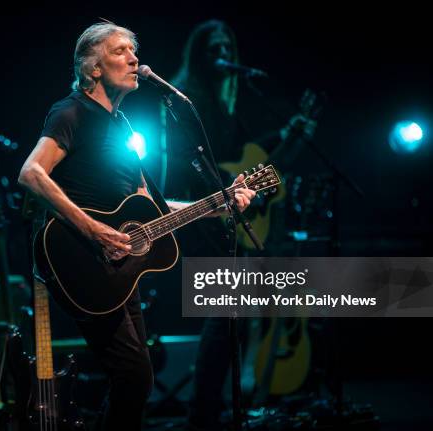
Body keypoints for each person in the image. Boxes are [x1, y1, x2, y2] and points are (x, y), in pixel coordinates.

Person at [17, 22, 256, 431]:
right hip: (80, 259)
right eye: (120, 51)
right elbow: (32, 173)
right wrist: (94, 230)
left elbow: (154, 208)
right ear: (92, 68)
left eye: (134, 51)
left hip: (117, 270)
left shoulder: (124, 125)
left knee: (136, 379)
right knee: (134, 376)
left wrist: (221, 203)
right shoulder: (71, 111)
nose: (134, 59)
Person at [162, 20, 316, 431]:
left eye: (226, 46)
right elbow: (179, 162)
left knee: (233, 313)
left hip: (221, 211)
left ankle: (217, 410)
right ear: (198, 54)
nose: (221, 53)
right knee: (226, 311)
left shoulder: (228, 103)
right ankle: (204, 414)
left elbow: (249, 154)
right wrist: (223, 193)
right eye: (212, 47)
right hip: (196, 212)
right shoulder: (184, 99)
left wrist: (289, 134)